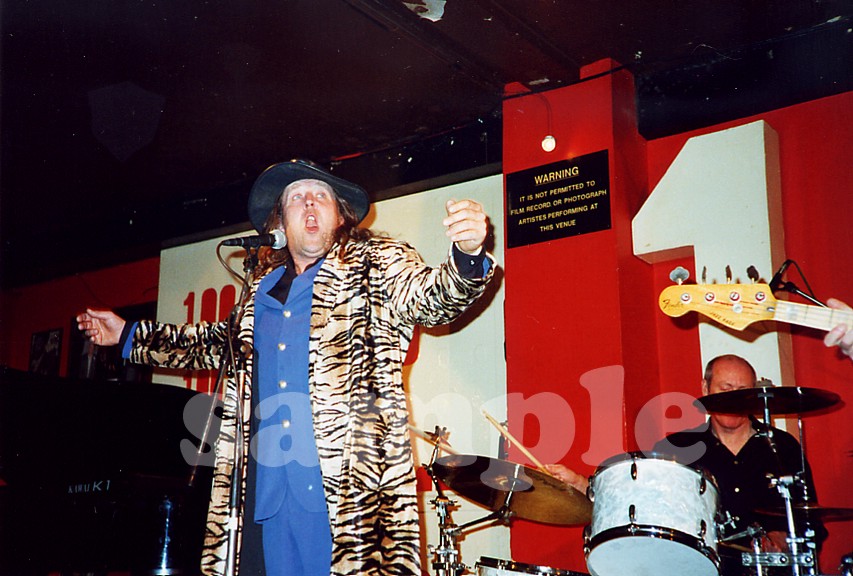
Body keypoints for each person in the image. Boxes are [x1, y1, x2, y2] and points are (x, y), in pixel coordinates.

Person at [77, 159, 496, 576]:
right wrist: (127, 334)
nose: (309, 203)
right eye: (297, 197)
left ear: (340, 216)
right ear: (280, 222)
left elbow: (433, 298)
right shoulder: (258, 291)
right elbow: (213, 345)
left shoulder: (378, 264)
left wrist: (468, 254)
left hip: (350, 501)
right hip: (264, 499)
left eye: (321, 195)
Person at [548, 354, 823, 576]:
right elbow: (631, 498)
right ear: (705, 389)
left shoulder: (781, 448)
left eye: (742, 391)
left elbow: (811, 521)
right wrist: (580, 484)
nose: (733, 399)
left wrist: (783, 538)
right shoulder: (677, 449)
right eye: (725, 389)